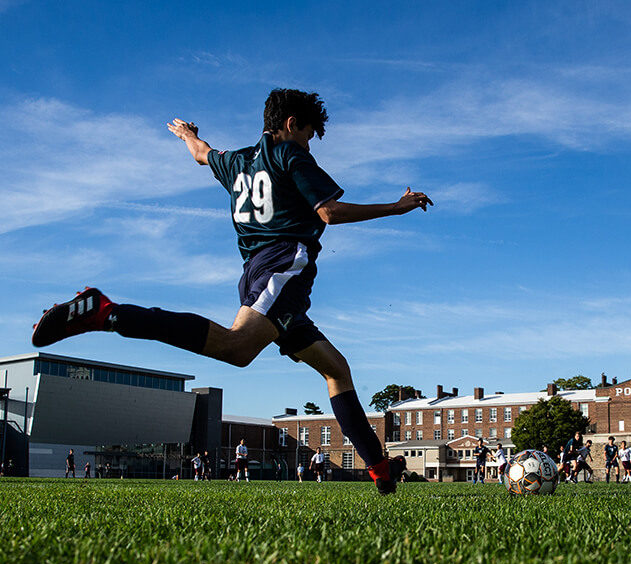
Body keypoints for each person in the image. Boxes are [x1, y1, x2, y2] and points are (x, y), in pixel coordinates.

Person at [30, 89, 428, 495]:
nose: (310, 144)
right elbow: (330, 212)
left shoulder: (236, 161)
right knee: (236, 349)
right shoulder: (290, 155)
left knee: (335, 369)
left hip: (259, 272)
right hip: (282, 266)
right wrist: (396, 207)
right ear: (291, 125)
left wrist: (186, 134)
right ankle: (108, 313)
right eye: (309, 134)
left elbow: (202, 153)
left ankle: (380, 468)